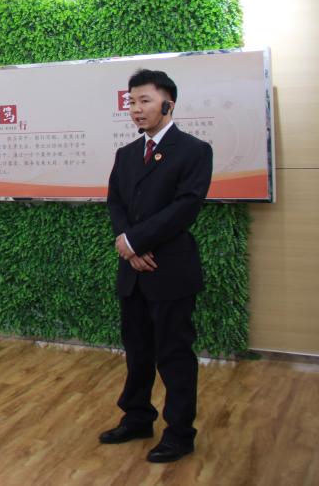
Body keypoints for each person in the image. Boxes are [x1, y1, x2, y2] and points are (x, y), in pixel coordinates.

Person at [100, 69, 213, 464]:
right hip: (133, 271)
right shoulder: (127, 154)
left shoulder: (194, 150)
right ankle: (137, 418)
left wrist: (136, 242)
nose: (136, 108)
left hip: (171, 271)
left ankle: (180, 433)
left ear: (168, 104)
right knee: (137, 352)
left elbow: (185, 207)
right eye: (131, 102)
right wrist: (127, 245)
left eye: (144, 100)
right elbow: (116, 202)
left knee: (174, 354)